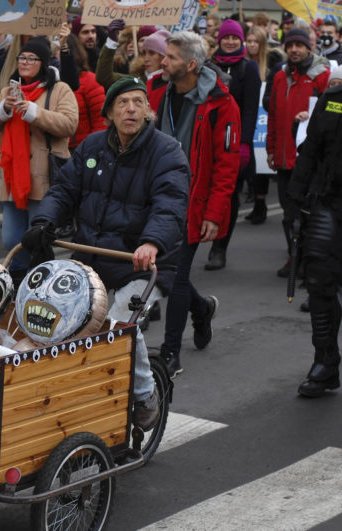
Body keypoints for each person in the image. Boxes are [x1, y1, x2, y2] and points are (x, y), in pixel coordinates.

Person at [20, 77, 190, 428]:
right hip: (91, 257)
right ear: (109, 112)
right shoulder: (92, 146)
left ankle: (145, 396)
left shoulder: (167, 150)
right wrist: (43, 222)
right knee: (58, 319)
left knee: (118, 327)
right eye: (123, 102)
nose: (131, 108)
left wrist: (152, 242)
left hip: (140, 263)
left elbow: (170, 204)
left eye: (138, 102)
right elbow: (64, 190)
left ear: (147, 110)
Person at [154, 31, 241, 377]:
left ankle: (170, 351)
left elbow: (227, 165)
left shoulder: (222, 104)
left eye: (171, 57)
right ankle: (202, 308)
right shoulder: (157, 93)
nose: (163, 61)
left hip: (192, 203)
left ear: (190, 64)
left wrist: (214, 213)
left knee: (174, 278)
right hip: (158, 197)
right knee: (161, 272)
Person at [0, 38, 78, 285]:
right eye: (22, 58)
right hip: (13, 177)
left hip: (44, 176)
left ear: (42, 63)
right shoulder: (7, 91)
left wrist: (34, 112)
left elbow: (69, 124)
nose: (24, 62)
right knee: (11, 238)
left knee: (39, 235)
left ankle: (39, 279)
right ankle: (23, 273)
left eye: (31, 58)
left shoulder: (59, 89)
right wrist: (3, 109)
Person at [289, 66, 342, 397]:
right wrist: (295, 200)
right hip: (329, 203)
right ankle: (325, 361)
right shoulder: (333, 101)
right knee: (320, 281)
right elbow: (310, 151)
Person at [266, 28, 330, 277]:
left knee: (309, 213)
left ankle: (309, 259)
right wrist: (271, 149)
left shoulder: (322, 77)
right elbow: (273, 115)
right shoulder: (280, 77)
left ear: (309, 47)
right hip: (283, 158)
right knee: (288, 212)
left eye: (299, 46)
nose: (294, 50)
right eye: (290, 45)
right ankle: (295, 257)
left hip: (310, 161)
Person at [205, 19, 261, 271]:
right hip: (207, 138)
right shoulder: (210, 65)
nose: (230, 42)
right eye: (226, 37)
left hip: (234, 141)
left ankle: (220, 247)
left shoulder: (248, 69)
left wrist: (245, 144)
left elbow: (250, 109)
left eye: (235, 38)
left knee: (229, 196)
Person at [67, 32, 106, 150]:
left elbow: (100, 121)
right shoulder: (49, 81)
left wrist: (92, 149)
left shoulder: (89, 81)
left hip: (82, 149)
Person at [95, 20, 156, 89]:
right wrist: (111, 41)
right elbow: (104, 77)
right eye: (142, 40)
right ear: (137, 45)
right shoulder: (137, 79)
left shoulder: (167, 75)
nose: (146, 43)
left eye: (150, 40)